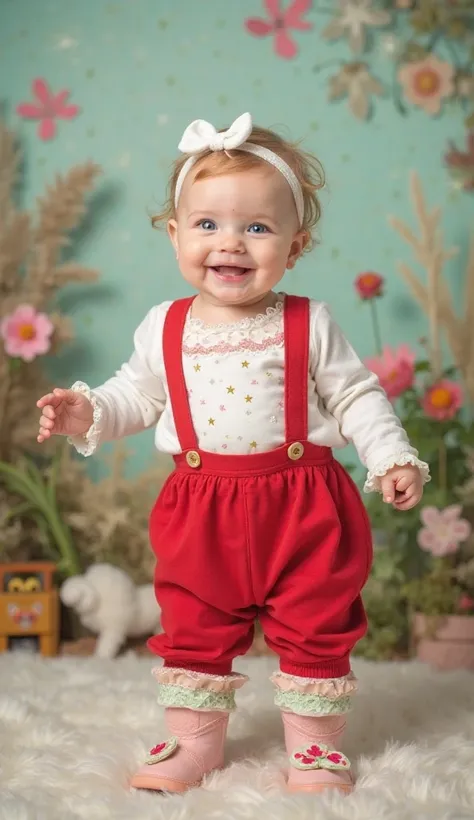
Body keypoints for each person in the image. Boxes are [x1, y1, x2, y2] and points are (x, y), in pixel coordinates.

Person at [36, 112, 429, 796]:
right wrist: (89, 410)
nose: (232, 244)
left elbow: (357, 396)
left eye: (257, 227)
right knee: (192, 621)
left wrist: (390, 455)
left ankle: (312, 750)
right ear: (176, 234)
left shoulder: (310, 322)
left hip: (304, 507)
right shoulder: (166, 326)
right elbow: (137, 395)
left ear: (295, 245)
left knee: (315, 621)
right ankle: (193, 743)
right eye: (209, 224)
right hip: (201, 510)